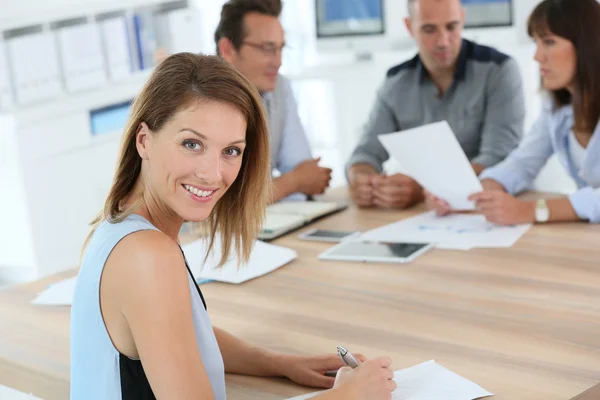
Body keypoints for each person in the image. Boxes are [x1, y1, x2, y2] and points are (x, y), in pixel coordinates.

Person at [69, 53, 397, 399]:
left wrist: (279, 362)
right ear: (143, 140)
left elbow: (179, 333)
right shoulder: (147, 256)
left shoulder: (119, 225)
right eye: (191, 144)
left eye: (231, 151)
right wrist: (346, 396)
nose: (213, 174)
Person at [427, 0, 600, 225]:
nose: (537, 56)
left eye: (549, 42)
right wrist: (467, 195)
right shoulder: (556, 109)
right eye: (536, 42)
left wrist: (530, 211)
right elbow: (521, 163)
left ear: (587, 45)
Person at [346, 0, 524, 209]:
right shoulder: (395, 83)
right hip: (428, 214)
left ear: (463, 20)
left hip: (490, 207)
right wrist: (363, 181)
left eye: (452, 26)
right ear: (409, 27)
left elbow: (498, 158)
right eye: (429, 29)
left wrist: (423, 188)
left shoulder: (499, 71)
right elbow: (366, 152)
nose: (443, 42)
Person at [214, 0, 332, 202]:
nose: (278, 62)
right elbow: (222, 202)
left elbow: (307, 174)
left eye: (280, 49)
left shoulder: (279, 87)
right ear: (228, 49)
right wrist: (293, 182)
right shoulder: (201, 102)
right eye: (267, 49)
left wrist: (294, 181)